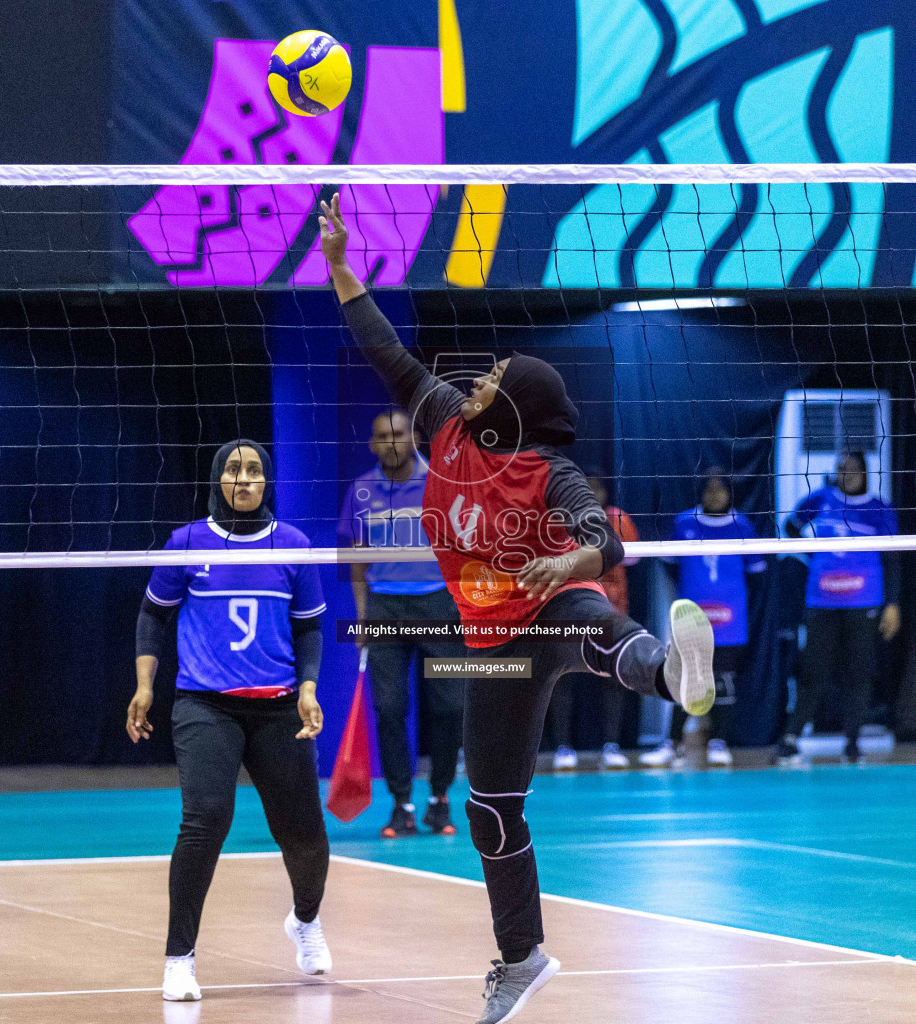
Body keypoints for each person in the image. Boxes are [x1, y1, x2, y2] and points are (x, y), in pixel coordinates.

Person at [321, 193, 716, 1024]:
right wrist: (341, 269)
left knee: (600, 628)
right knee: (490, 807)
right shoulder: (444, 427)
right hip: (490, 641)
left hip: (552, 606)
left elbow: (602, 542)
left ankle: (677, 674)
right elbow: (389, 356)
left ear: (514, 410)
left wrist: (568, 558)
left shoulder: (548, 473)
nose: (478, 379)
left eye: (495, 379)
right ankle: (522, 956)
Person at [127, 440, 332, 1003]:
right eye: (235, 470)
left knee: (306, 838)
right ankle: (179, 959)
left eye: (255, 471)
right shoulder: (187, 542)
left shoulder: (294, 546)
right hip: (205, 704)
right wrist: (145, 685)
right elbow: (152, 615)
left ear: (267, 481)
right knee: (206, 819)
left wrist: (308, 689)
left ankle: (305, 921)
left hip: (276, 707)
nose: (245, 480)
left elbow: (310, 628)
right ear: (219, 478)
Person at [339, 408, 466, 835]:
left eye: (398, 433)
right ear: (373, 445)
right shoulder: (360, 490)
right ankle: (401, 805)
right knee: (390, 708)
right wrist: (362, 615)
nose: (391, 442)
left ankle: (440, 796)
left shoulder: (443, 485)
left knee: (449, 707)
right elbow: (357, 562)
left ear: (413, 438)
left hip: (439, 607)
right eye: (382, 436)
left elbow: (465, 551)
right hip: (385, 609)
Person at [773, 452, 900, 766]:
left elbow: (893, 558)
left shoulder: (879, 508)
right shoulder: (821, 499)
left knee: (859, 672)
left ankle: (852, 744)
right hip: (822, 600)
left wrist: (892, 603)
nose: (847, 474)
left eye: (854, 469)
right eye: (842, 469)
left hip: (864, 602)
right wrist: (812, 556)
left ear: (865, 472)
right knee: (813, 670)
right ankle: (790, 739)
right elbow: (790, 526)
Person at [641, 468, 766, 769]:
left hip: (729, 621)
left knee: (722, 682)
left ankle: (719, 742)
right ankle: (672, 744)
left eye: (719, 489)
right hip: (692, 619)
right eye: (708, 489)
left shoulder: (742, 525)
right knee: (685, 680)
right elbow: (671, 566)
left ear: (729, 492)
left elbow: (756, 574)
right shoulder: (685, 522)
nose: (714, 495)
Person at [546, 474, 638, 771]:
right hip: (569, 610)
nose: (592, 492)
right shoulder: (560, 520)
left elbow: (634, 559)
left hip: (611, 610)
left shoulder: (617, 519)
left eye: (596, 486)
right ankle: (563, 747)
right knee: (563, 678)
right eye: (586, 486)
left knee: (613, 678)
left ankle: (610, 746)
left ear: (604, 491)